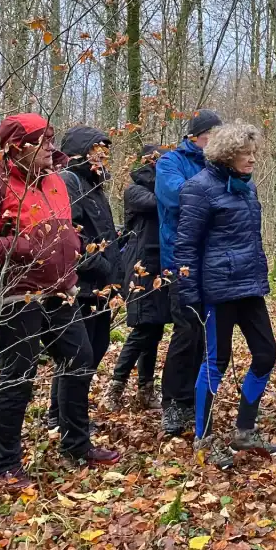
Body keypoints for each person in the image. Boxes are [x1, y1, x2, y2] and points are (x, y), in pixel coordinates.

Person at [0, 114, 119, 487]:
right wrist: (19, 247)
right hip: (18, 294)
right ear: (16, 147)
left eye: (51, 139)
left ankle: (77, 444)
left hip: (60, 292)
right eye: (41, 141)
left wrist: (73, 254)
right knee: (17, 376)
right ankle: (3, 463)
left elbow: (66, 229)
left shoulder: (55, 180)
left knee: (80, 360)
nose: (50, 147)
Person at [174, 120, 276, 466]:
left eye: (253, 153)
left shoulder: (247, 188)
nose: (252, 159)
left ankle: (244, 431)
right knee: (215, 363)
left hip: (249, 287)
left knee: (266, 353)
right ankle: (203, 439)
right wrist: (189, 295)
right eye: (245, 154)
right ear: (227, 154)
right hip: (217, 291)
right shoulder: (199, 188)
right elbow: (186, 246)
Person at [50, 126, 121, 428]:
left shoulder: (94, 185)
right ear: (81, 150)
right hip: (82, 285)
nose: (102, 155)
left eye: (105, 150)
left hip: (100, 286)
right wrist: (100, 264)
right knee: (79, 354)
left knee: (96, 348)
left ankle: (66, 416)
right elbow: (70, 235)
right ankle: (61, 419)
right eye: (96, 149)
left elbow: (98, 231)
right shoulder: (69, 181)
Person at [156, 109, 221, 436]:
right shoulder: (170, 162)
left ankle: (196, 399)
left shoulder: (219, 164)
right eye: (213, 135)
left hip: (213, 261)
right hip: (180, 261)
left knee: (207, 335)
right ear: (196, 136)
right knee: (186, 331)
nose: (217, 141)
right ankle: (173, 402)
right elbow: (177, 196)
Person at [103, 145, 169, 411]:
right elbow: (156, 203)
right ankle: (115, 387)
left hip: (160, 267)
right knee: (143, 328)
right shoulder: (135, 190)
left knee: (154, 329)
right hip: (140, 267)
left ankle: (146, 388)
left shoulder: (156, 187)